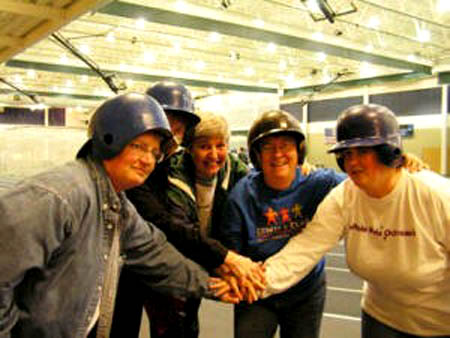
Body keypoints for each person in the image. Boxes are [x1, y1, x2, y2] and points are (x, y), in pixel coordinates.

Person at [0, 93, 236, 338]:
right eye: (139, 146)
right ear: (108, 139)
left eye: (155, 153)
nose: (148, 160)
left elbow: (154, 253)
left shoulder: (117, 205)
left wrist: (210, 286)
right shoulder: (60, 196)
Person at [262, 104, 450, 338]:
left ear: (387, 151)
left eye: (362, 151)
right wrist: (253, 282)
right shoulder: (345, 196)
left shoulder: (437, 196)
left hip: (439, 324)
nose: (352, 162)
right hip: (380, 318)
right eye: (347, 154)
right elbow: (304, 249)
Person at [110, 83, 263, 338]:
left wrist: (300, 172)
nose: (171, 136)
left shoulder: (166, 164)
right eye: (165, 128)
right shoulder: (152, 172)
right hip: (121, 270)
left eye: (178, 130)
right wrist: (225, 259)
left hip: (161, 265)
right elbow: (166, 223)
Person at [219, 110, 346, 338]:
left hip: (305, 292)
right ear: (257, 155)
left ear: (299, 152)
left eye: (286, 145)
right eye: (268, 147)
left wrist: (402, 166)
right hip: (258, 293)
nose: (278, 154)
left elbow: (363, 184)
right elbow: (232, 253)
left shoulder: (319, 183)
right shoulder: (241, 196)